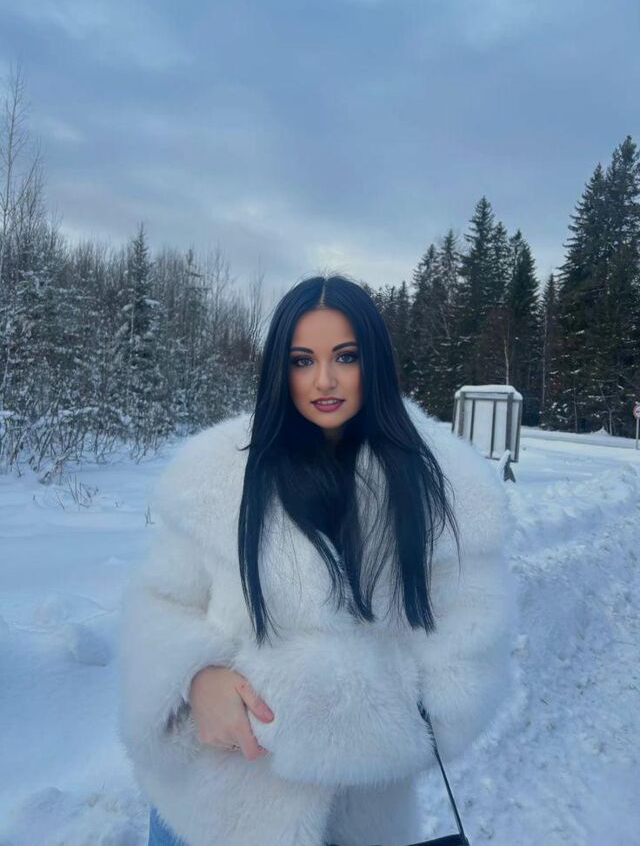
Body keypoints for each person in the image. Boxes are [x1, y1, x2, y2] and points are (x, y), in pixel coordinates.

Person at [118, 274, 517, 846]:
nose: (324, 380)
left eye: (345, 357)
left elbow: (465, 671)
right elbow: (159, 604)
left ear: (374, 363)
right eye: (302, 361)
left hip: (354, 825)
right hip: (206, 815)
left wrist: (294, 715)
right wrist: (194, 678)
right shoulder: (215, 475)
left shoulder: (442, 488)